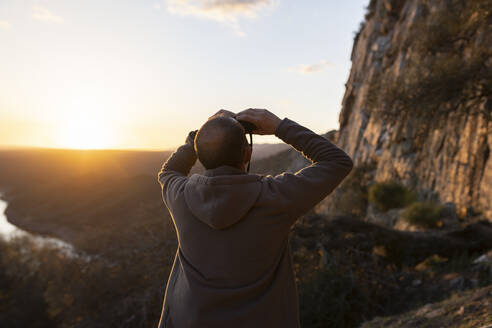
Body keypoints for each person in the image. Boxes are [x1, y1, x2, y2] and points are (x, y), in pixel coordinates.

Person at [157, 108, 354, 328]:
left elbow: (168, 171)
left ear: (198, 155)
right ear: (247, 153)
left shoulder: (180, 196)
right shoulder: (275, 198)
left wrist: (199, 135)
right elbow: (337, 162)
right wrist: (279, 126)